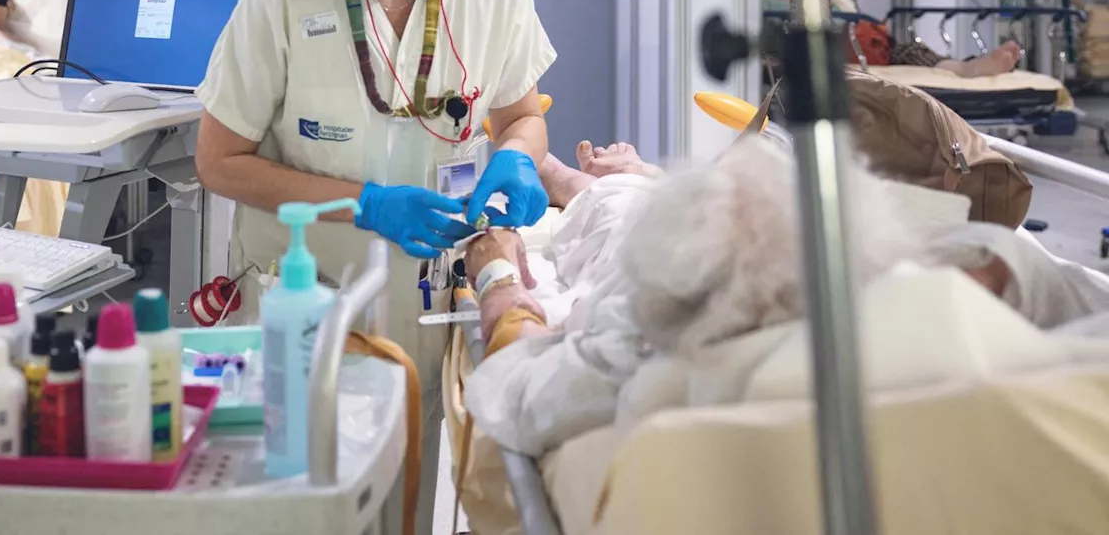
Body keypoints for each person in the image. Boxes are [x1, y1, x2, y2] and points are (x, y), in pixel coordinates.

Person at [193, 0, 555, 532]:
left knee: (406, 496)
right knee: (300, 497)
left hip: (425, 302)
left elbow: (521, 114)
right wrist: (363, 201)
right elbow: (219, 161)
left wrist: (519, 156)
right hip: (306, 300)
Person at [458, 136, 1109, 458]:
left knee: (614, 205)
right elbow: (1019, 270)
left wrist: (496, 273)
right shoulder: (976, 268)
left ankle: (592, 175)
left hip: (664, 239)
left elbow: (515, 388)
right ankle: (619, 173)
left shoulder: (647, 334)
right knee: (631, 196)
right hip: (725, 231)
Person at [770, 0, 1023, 77]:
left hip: (859, 41)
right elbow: (788, 17)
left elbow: (834, 8)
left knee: (910, 51)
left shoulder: (837, 3)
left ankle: (968, 68)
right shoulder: (772, 5)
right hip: (825, 46)